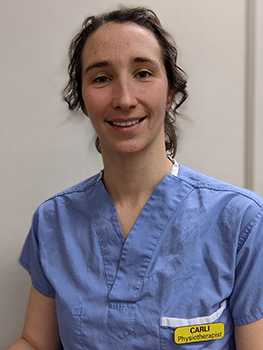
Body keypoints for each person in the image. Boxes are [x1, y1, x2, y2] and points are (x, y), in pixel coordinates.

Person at [7, 7, 263, 350]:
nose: (125, 99)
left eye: (143, 73)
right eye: (101, 78)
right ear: (83, 100)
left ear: (170, 92)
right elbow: (36, 343)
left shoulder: (242, 222)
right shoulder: (53, 222)